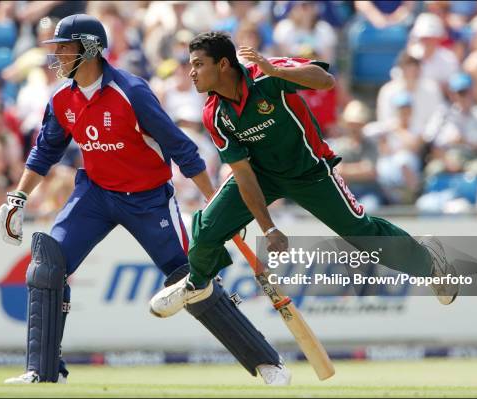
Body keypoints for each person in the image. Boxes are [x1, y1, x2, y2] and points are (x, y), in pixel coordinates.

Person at [0, 15, 291, 386]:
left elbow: (181, 149)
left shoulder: (131, 92)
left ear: (89, 49)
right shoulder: (61, 99)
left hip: (148, 198)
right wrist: (18, 196)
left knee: (190, 279)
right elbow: (44, 152)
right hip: (95, 194)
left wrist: (217, 206)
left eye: (65, 47)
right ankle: (42, 370)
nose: (56, 55)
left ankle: (267, 362)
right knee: (47, 264)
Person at [149, 32, 461, 320]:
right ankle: (198, 283)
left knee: (360, 233)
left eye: (198, 65)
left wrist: (277, 72)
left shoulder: (266, 75)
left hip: (310, 172)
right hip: (262, 175)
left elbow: (325, 81)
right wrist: (268, 228)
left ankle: (429, 264)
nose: (191, 72)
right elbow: (243, 174)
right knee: (206, 226)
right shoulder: (214, 113)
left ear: (223, 64)